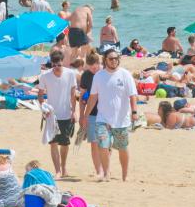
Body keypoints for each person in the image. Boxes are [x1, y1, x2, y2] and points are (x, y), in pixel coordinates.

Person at [81, 48, 139, 181]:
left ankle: (125, 175)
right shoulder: (99, 76)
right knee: (103, 146)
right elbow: (93, 97)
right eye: (111, 58)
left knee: (122, 148)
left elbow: (132, 95)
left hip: (121, 120)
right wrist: (85, 115)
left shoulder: (125, 74)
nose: (114, 61)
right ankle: (106, 173)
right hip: (102, 119)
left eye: (116, 58)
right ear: (105, 60)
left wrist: (134, 112)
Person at [37, 50, 79, 178]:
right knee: (53, 143)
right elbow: (40, 94)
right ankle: (58, 170)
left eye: (59, 65)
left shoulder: (70, 74)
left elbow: (73, 94)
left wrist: (74, 112)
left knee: (65, 143)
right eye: (54, 65)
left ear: (62, 63)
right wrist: (44, 109)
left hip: (66, 113)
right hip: (51, 115)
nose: (56, 68)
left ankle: (64, 167)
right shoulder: (45, 76)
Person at [78, 51, 103, 176]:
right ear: (87, 65)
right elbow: (82, 96)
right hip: (92, 113)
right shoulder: (86, 75)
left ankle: (105, 168)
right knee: (94, 143)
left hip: (105, 113)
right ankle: (99, 171)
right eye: (91, 65)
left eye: (96, 64)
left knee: (105, 143)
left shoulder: (105, 73)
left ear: (99, 63)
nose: (94, 67)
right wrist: (82, 115)